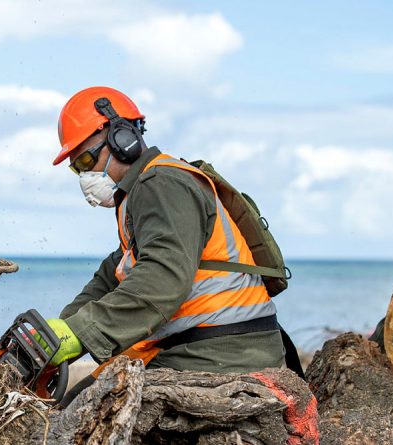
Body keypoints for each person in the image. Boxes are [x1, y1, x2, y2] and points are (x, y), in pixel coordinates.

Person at [43, 86, 286, 375]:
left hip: (227, 351)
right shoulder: (138, 194)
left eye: (86, 161)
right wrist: (60, 332)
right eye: (77, 169)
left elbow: (161, 279)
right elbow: (113, 275)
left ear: (123, 138)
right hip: (196, 344)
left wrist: (81, 334)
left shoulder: (162, 184)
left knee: (89, 411)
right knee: (82, 396)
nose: (85, 176)